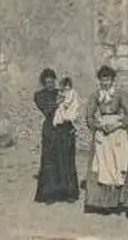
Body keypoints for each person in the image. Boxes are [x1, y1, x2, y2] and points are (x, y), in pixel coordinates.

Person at [83, 65, 128, 214]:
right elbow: (89, 116)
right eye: (103, 79)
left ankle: (121, 200)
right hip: (102, 132)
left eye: (108, 79)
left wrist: (118, 125)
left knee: (119, 165)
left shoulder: (121, 94)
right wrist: (97, 125)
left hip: (117, 131)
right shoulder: (95, 96)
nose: (105, 82)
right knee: (101, 164)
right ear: (99, 80)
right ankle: (101, 203)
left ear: (113, 80)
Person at [33, 69, 80, 203]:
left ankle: (68, 192)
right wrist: (57, 102)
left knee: (66, 160)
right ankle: (50, 193)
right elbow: (46, 110)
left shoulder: (62, 92)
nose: (50, 84)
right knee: (50, 161)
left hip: (64, 130)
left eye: (52, 81)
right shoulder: (39, 95)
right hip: (50, 130)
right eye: (47, 82)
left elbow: (72, 104)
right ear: (43, 83)